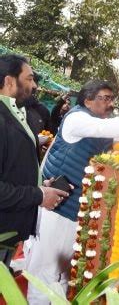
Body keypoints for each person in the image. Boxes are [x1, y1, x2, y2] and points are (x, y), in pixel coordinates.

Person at [26, 79, 119, 303]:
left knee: (66, 270)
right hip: (55, 208)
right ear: (87, 100)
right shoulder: (77, 119)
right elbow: (107, 128)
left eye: (111, 99)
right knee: (45, 269)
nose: (110, 104)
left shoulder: (99, 126)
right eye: (105, 98)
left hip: (76, 208)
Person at [0, 55, 69, 267]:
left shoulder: (17, 114)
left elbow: (11, 165)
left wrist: (40, 186)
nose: (35, 85)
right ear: (10, 81)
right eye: (29, 79)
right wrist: (38, 194)